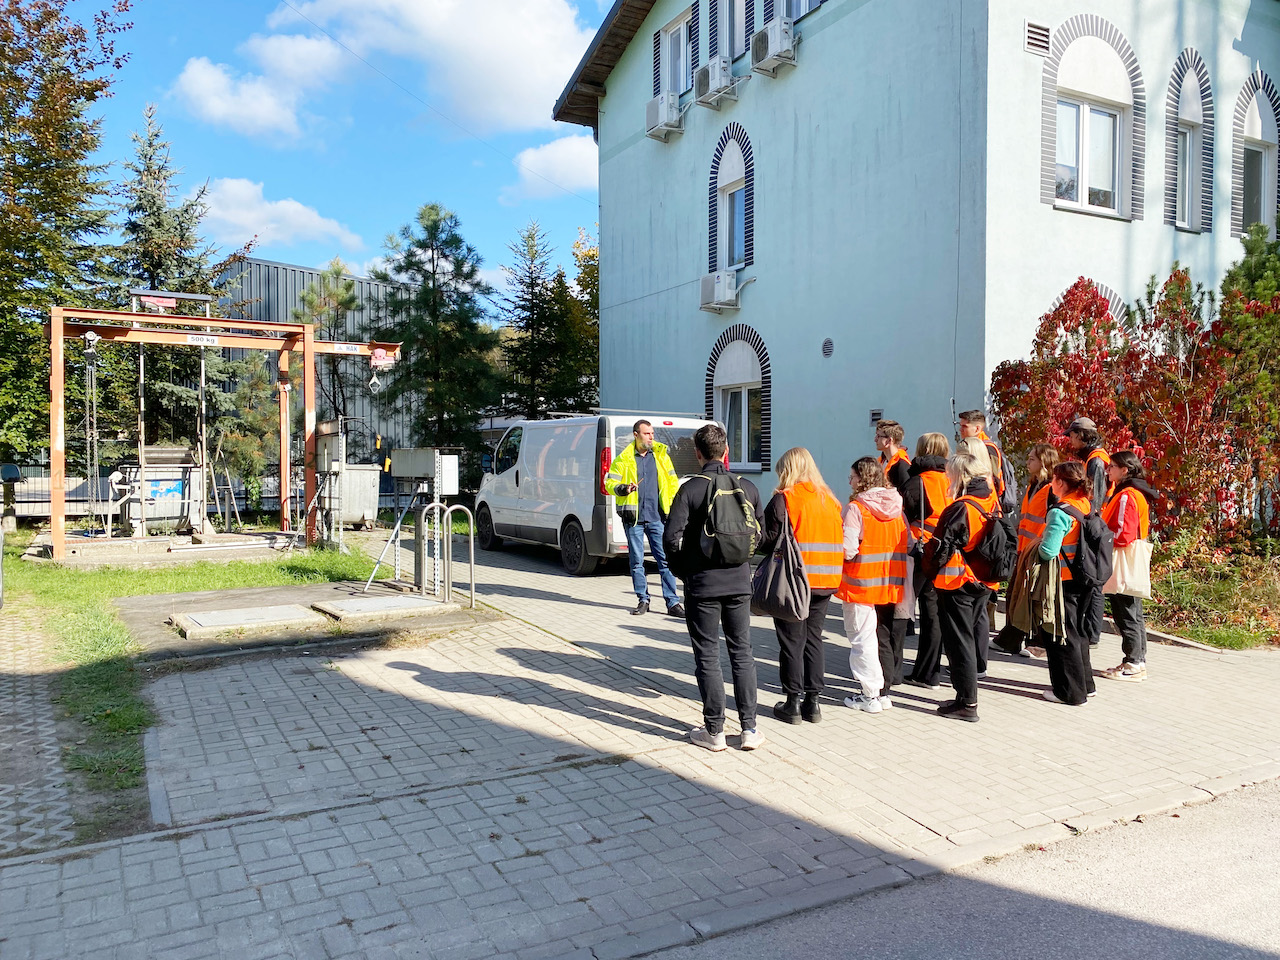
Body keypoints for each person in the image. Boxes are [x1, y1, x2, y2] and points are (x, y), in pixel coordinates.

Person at [663, 424, 765, 751]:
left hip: (702, 585)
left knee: (708, 655)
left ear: (697, 454)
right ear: (726, 453)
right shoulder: (747, 487)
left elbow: (670, 538)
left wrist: (684, 572)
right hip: (739, 583)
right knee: (742, 652)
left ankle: (715, 731)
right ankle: (749, 728)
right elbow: (760, 536)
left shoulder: (690, 490)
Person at [758, 447, 845, 724]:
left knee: (791, 641)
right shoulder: (830, 500)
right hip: (826, 580)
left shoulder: (786, 499)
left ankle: (793, 702)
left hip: (795, 580)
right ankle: (814, 702)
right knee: (814, 639)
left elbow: (768, 540)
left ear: (788, 470)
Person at [927, 452, 998, 722]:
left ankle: (967, 703)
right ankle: (963, 697)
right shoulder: (990, 499)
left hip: (958, 581)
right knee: (966, 638)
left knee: (960, 643)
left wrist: (925, 563)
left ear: (960, 476)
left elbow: (941, 547)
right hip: (983, 579)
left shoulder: (961, 506)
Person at [838, 458, 910, 713]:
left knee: (862, 641)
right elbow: (907, 543)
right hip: (890, 583)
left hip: (860, 584)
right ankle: (881, 694)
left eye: (853, 476)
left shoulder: (856, 508)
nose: (850, 481)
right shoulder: (897, 507)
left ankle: (869, 696)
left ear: (863, 478)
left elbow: (847, 550)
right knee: (880, 639)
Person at [605, 419, 684, 617]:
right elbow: (609, 484)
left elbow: (672, 484)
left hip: (657, 517)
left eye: (652, 433)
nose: (651, 437)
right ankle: (643, 599)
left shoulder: (661, 456)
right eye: (647, 433)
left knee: (664, 560)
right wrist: (623, 488)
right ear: (636, 435)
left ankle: (673, 602)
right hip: (634, 519)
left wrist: (674, 509)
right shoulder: (624, 459)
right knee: (637, 561)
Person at [1038, 462, 1098, 706]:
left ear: (1061, 482)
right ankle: (1087, 684)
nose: (1051, 484)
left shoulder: (1059, 511)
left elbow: (1048, 551)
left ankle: (1070, 692)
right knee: (1078, 632)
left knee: (1062, 635)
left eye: (1053, 479)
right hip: (1085, 577)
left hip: (1063, 579)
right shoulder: (1085, 504)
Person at [996, 443, 1060, 656]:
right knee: (1018, 595)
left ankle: (1036, 643)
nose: (1028, 462)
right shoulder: (1035, 485)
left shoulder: (1051, 489)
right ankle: (1012, 639)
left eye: (1032, 458)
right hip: (1025, 549)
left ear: (1044, 462)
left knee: (1033, 597)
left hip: (1038, 550)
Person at [1100, 451, 1158, 683]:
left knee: (1126, 613)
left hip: (1123, 558)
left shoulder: (1127, 495)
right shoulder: (1135, 493)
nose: (1108, 470)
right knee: (1133, 612)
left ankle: (1133, 662)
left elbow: (1123, 534)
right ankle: (1136, 661)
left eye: (1112, 466)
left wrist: (1101, 537)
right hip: (1131, 558)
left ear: (1125, 470)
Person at [903, 432, 951, 689]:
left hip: (919, 551)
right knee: (933, 613)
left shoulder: (916, 482)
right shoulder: (954, 480)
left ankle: (890, 668)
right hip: (945, 552)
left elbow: (903, 515)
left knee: (902, 609)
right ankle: (929, 672)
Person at [1065, 417, 1110, 646]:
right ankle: (1089, 631)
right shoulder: (1093, 459)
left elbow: (1097, 497)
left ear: (1082, 435)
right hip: (1094, 522)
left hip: (1093, 524)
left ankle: (1092, 633)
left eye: (1072, 435)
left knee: (1093, 582)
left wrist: (1090, 522)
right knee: (1091, 582)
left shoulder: (1097, 461)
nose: (1070, 440)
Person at [957, 436, 997, 673]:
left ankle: (971, 666)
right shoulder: (989, 483)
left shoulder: (973, 488)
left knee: (972, 616)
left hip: (972, 556)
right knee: (979, 614)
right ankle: (979, 664)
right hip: (986, 555)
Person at [958, 409, 1009, 506]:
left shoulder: (988, 448)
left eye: (964, 426)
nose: (961, 430)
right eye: (960, 426)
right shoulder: (970, 445)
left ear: (977, 429)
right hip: (978, 498)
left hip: (987, 500)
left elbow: (992, 477)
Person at [875, 420, 911, 494]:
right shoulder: (880, 462)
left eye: (878, 436)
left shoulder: (902, 465)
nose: (875, 439)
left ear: (889, 440)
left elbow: (905, 496)